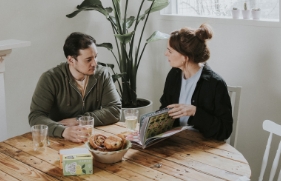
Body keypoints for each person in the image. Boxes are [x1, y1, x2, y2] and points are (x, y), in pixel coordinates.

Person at [29, 32, 121, 143]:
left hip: (91, 138)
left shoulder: (102, 74)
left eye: (95, 57)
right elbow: (36, 116)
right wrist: (63, 131)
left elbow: (115, 109)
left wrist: (79, 120)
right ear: (71, 60)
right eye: (88, 60)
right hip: (58, 140)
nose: (95, 63)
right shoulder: (50, 79)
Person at [160, 24, 233, 141]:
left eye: (170, 51)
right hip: (176, 143)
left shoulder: (215, 84)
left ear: (184, 57)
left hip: (204, 148)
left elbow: (225, 130)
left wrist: (195, 112)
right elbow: (165, 108)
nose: (166, 54)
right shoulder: (173, 75)